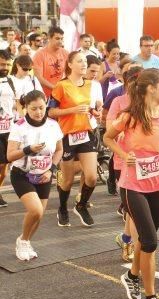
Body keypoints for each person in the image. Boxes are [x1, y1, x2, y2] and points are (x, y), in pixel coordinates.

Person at [104, 68, 159, 299]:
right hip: (132, 185)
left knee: (147, 239)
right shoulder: (129, 116)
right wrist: (123, 154)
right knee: (150, 241)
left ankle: (131, 276)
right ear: (151, 88)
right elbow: (108, 138)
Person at [48, 51, 103, 227]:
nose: (84, 64)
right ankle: (62, 207)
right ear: (70, 64)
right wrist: (72, 110)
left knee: (92, 177)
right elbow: (50, 112)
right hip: (66, 136)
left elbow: (88, 108)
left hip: (86, 133)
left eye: (85, 61)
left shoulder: (90, 84)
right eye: (80, 61)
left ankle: (81, 206)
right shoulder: (61, 86)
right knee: (68, 180)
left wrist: (95, 112)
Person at [7, 90, 63, 260]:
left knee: (39, 216)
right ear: (25, 108)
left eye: (41, 107)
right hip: (22, 174)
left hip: (44, 175)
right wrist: (27, 149)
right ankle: (23, 241)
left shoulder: (53, 125)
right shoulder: (19, 126)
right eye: (33, 109)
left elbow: (59, 150)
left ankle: (26, 241)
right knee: (35, 210)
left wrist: (51, 170)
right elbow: (9, 156)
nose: (38, 112)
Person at [107, 66, 143, 262]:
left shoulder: (148, 101)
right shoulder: (118, 102)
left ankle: (127, 238)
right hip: (124, 160)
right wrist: (119, 130)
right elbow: (111, 128)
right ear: (126, 83)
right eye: (133, 82)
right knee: (131, 207)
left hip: (144, 162)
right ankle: (128, 243)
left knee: (134, 208)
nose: (137, 86)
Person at [32, 27, 69, 98]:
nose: (60, 41)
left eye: (62, 38)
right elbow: (38, 77)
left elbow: (70, 72)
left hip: (61, 94)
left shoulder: (65, 53)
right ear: (49, 38)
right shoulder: (39, 54)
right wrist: (55, 88)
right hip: (45, 95)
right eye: (57, 38)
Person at [0, 50, 16, 208]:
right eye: (2, 64)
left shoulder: (11, 81)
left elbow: (17, 103)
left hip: (9, 129)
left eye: (7, 64)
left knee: (5, 167)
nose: (5, 67)